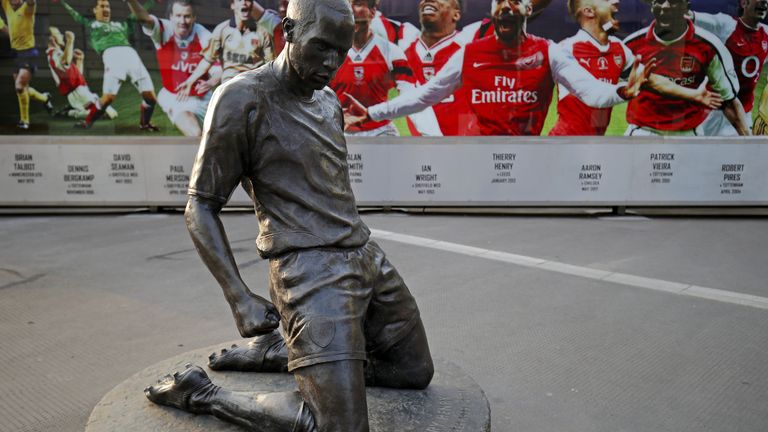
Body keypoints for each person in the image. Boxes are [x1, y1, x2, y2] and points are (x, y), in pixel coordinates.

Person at [144, 1, 434, 431]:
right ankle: (202, 392)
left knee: (413, 372)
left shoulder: (328, 100)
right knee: (339, 427)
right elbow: (200, 205)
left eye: (342, 50)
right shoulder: (242, 99)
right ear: (288, 31)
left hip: (365, 255)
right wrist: (238, 296)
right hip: (309, 272)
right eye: (320, 48)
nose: (331, 63)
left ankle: (284, 353)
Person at [344, 0, 653, 136]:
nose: (506, 6)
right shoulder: (470, 53)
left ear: (528, 10)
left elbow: (590, 91)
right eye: (500, 1)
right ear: (493, 11)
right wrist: (372, 113)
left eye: (515, 1)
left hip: (530, 156)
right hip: (479, 156)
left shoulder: (548, 52)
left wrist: (622, 90)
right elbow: (425, 95)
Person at [550, 0, 722, 136]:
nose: (616, 2)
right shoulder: (565, 49)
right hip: (565, 142)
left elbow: (653, 81)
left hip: (595, 144)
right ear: (589, 11)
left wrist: (694, 94)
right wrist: (624, 91)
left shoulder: (619, 49)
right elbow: (593, 93)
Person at [623, 0, 750, 136]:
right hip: (642, 132)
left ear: (686, 7)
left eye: (673, 2)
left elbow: (729, 101)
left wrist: (749, 143)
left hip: (688, 134)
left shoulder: (709, 47)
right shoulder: (632, 44)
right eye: (659, 1)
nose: (665, 7)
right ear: (652, 6)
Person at [332, 0, 440, 136]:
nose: (350, 10)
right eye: (346, 5)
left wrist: (431, 136)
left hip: (380, 132)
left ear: (373, 11)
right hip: (339, 132)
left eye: (357, 4)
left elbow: (411, 95)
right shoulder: (331, 52)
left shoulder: (391, 52)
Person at [59, 0, 160, 130]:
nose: (105, 8)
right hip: (111, 55)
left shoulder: (121, 25)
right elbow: (75, 14)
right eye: (101, 6)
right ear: (95, 10)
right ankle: (87, 123)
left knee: (151, 98)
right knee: (108, 98)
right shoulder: (91, 25)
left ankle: (144, 124)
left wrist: (153, 2)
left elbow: (137, 14)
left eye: (107, 6)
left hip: (131, 54)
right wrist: (62, 2)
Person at [127, 0, 220, 136]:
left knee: (221, 139)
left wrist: (209, 83)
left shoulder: (204, 36)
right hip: (174, 97)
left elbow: (218, 70)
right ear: (171, 16)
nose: (182, 21)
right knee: (195, 133)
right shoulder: (163, 30)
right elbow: (144, 19)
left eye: (187, 16)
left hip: (203, 98)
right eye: (178, 16)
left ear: (194, 17)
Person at [691, 0, 768, 135]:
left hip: (744, 113)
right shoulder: (726, 25)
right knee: (703, 152)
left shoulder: (766, 34)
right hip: (714, 112)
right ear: (744, 3)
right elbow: (690, 16)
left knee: (744, 154)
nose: (764, 3)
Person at [174, 0, 276, 96]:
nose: (244, 3)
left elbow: (271, 66)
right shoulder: (222, 30)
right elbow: (208, 60)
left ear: (252, 5)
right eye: (240, 0)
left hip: (253, 86)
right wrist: (189, 81)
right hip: (229, 86)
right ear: (232, 5)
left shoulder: (263, 32)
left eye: (248, 0)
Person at [403, 0, 473, 135]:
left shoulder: (469, 41)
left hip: (462, 144)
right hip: (420, 148)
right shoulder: (404, 44)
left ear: (456, 15)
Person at [1, 0, 53, 130]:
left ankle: (25, 120)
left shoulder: (26, 8)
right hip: (16, 54)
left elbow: (31, 4)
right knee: (22, 89)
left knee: (19, 86)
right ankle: (44, 98)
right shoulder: (7, 4)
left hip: (29, 53)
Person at [45, 26, 118, 120]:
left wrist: (79, 61)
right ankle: (71, 112)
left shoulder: (56, 53)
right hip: (78, 94)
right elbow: (66, 61)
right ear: (52, 38)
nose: (62, 36)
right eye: (59, 34)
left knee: (111, 113)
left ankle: (72, 110)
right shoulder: (54, 53)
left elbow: (74, 76)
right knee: (110, 114)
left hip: (81, 91)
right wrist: (70, 41)